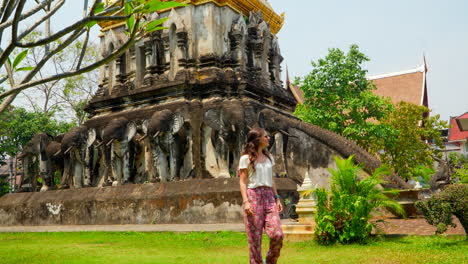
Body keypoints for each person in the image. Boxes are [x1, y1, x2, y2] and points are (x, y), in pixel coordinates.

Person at [239, 127, 284, 264]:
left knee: (278, 234)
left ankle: (270, 261)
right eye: (265, 136)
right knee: (255, 240)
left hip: (269, 196)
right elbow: (242, 181)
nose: (268, 138)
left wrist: (277, 198)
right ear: (258, 139)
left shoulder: (269, 157)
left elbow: (272, 180)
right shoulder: (245, 159)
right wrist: (246, 202)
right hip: (253, 196)